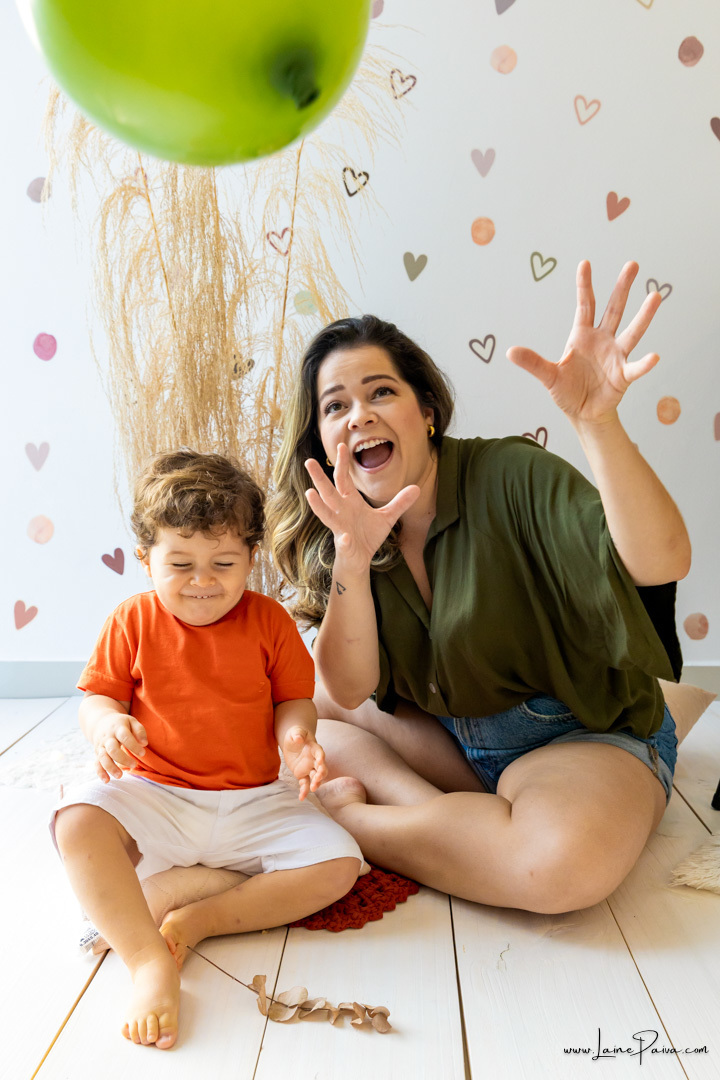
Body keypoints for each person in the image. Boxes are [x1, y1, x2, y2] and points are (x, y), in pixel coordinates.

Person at [270, 259, 691, 917]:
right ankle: (450, 819)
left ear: (427, 411)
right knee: (298, 704)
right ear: (323, 440)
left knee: (560, 868)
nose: (358, 416)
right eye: (335, 406)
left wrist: (597, 423)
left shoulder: (510, 475)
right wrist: (352, 562)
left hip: (574, 737)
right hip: (452, 744)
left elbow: (661, 562)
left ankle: (361, 827)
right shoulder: (343, 524)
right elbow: (350, 690)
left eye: (380, 393)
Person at [51, 450, 362, 1050]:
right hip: (157, 796)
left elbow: (293, 703)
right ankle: (148, 960)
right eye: (180, 564)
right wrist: (106, 725)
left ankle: (201, 917)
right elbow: (95, 699)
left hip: (253, 799)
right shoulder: (131, 621)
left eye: (223, 562)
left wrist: (298, 739)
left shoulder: (269, 622)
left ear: (252, 558)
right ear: (145, 561)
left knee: (340, 864)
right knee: (76, 820)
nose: (202, 581)